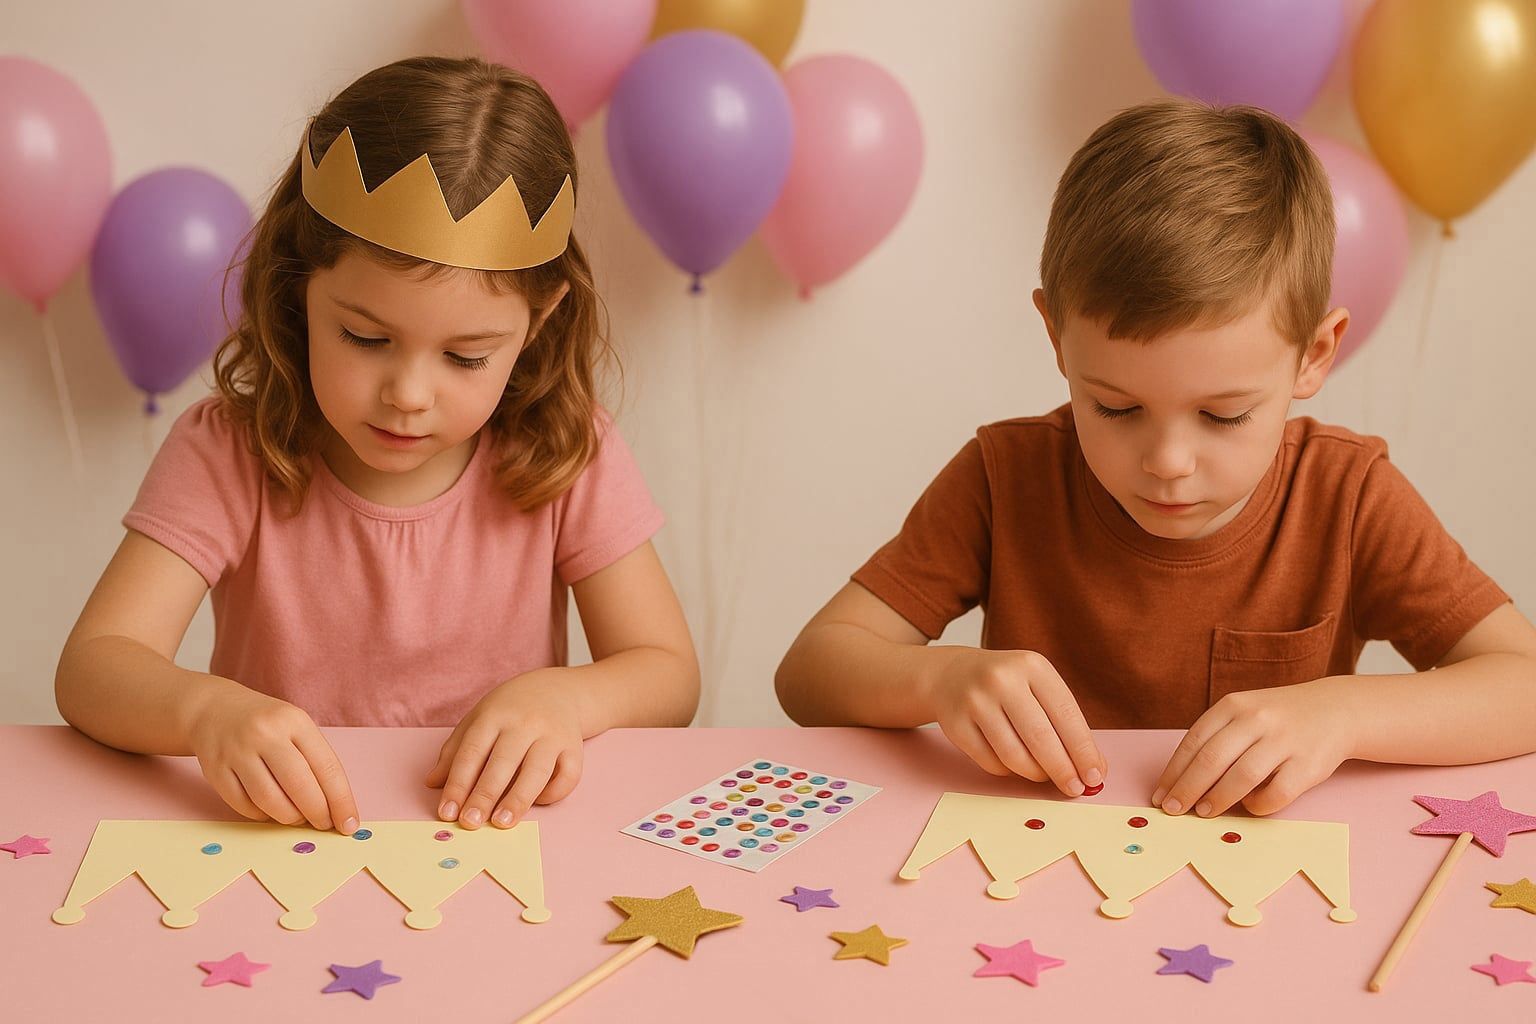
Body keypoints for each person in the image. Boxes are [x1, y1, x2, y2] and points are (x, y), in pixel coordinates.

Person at [776, 98, 1536, 820]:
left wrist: (1344, 711)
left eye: (1223, 415)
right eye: (1114, 408)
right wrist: (937, 681)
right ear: (1056, 338)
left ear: (1316, 355)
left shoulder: (1350, 494)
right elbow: (810, 670)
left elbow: (1525, 685)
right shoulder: (1004, 477)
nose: (1169, 461)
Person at [56, 56, 698, 837]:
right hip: (287, 843)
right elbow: (94, 665)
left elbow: (669, 675)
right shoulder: (228, 451)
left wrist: (566, 699)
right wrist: (202, 712)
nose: (409, 394)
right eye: (365, 337)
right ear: (299, 287)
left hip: (498, 847)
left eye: (466, 357)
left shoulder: (570, 451)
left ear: (540, 319)